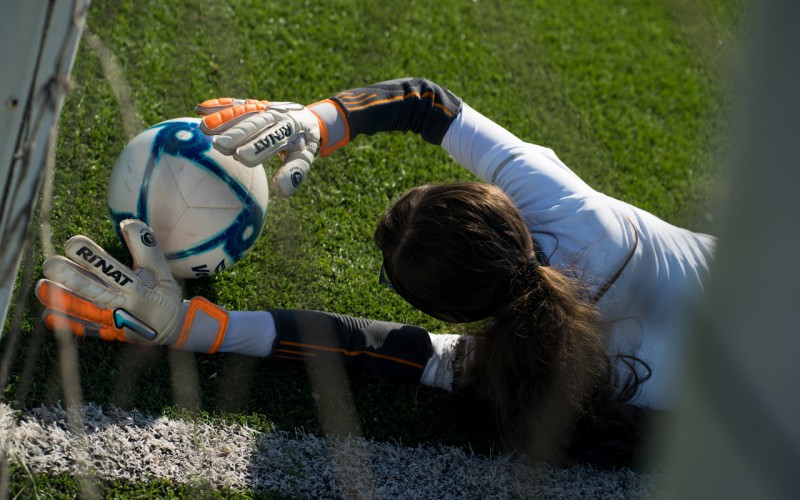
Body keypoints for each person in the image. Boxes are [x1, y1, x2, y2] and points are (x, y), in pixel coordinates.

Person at [36, 78, 715, 465]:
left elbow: (358, 345)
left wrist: (191, 326)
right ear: (504, 210)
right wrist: (317, 121)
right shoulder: (578, 216)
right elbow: (428, 101)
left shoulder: (516, 372)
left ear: (454, 314)